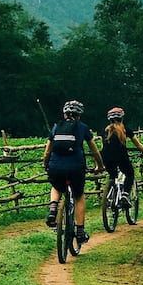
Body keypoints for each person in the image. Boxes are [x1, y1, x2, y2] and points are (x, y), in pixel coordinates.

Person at [43, 100, 104, 243]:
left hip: (56, 166)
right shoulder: (83, 128)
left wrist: (46, 165)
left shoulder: (56, 127)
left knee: (56, 186)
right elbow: (94, 150)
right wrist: (100, 165)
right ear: (79, 115)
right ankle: (80, 232)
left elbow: (47, 151)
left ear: (64, 114)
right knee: (79, 196)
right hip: (76, 167)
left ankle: (53, 209)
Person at [101, 106, 143, 208]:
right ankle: (125, 194)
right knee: (130, 174)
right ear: (122, 118)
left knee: (112, 176)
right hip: (121, 157)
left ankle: (111, 193)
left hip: (106, 158)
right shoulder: (125, 129)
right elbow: (138, 145)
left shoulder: (106, 130)